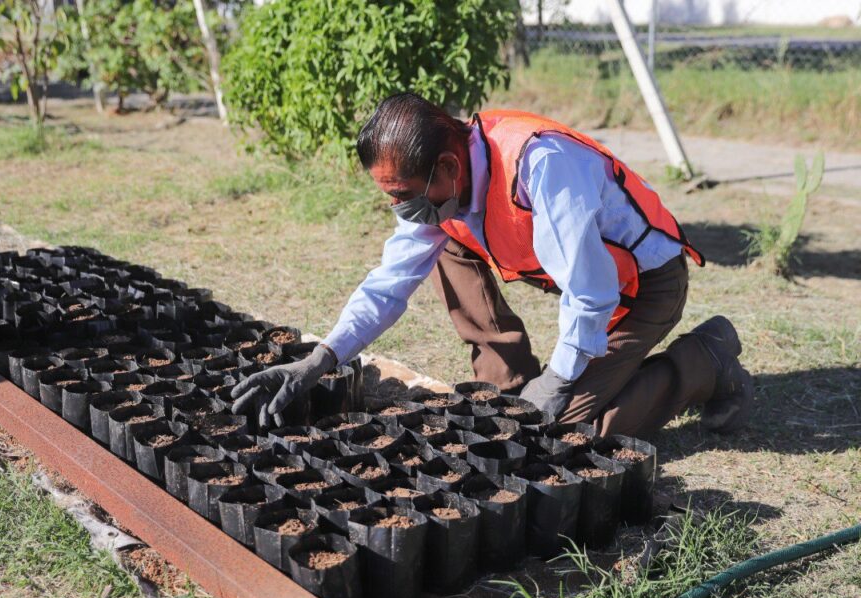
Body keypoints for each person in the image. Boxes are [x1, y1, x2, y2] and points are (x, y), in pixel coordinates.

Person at [232, 93, 753, 437]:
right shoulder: (442, 190)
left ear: (450, 166)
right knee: (444, 244)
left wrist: (560, 378)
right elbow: (389, 284)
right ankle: (510, 386)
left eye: (403, 195)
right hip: (586, 273)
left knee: (573, 431)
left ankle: (706, 360)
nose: (400, 209)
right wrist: (319, 360)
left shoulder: (542, 166)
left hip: (644, 284)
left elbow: (591, 292)